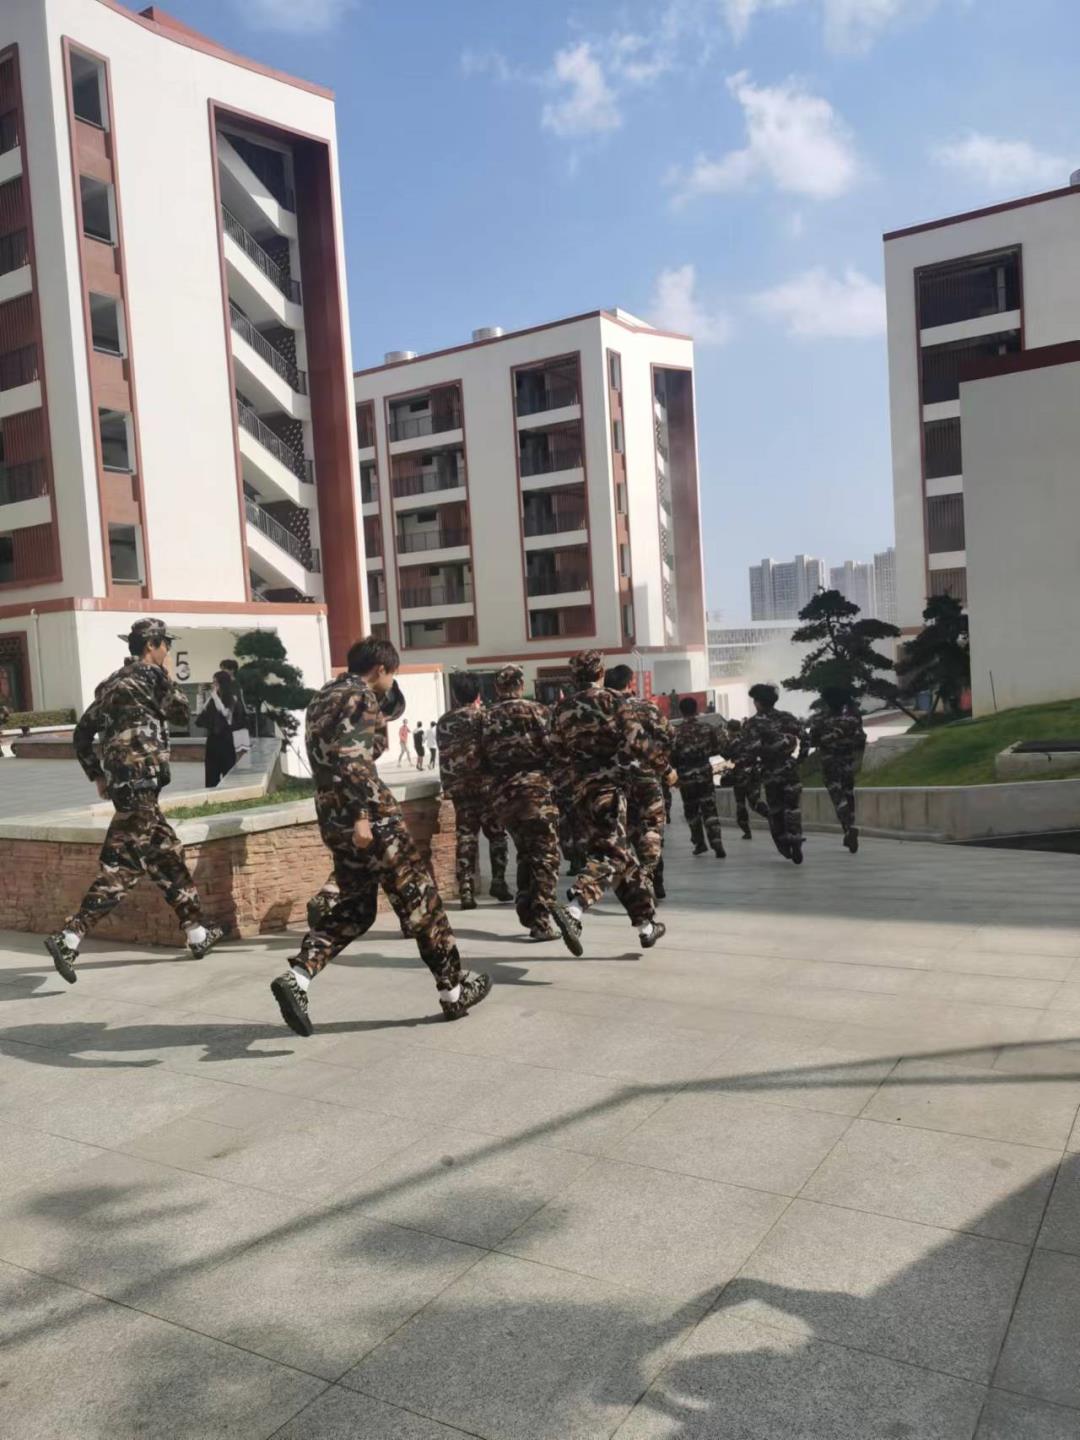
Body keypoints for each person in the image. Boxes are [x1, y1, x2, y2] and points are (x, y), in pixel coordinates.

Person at [270, 635, 490, 1037]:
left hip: (331, 817)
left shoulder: (323, 697)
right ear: (381, 669)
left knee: (356, 909)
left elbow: (346, 754)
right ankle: (453, 992)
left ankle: (298, 976)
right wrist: (362, 817)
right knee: (423, 903)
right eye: (392, 675)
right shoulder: (362, 696)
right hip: (371, 819)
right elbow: (354, 762)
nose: (391, 683)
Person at [43, 619, 223, 982]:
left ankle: (196, 932)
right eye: (165, 644)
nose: (168, 651)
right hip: (143, 782)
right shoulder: (153, 676)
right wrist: (168, 675)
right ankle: (70, 936)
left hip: (125, 784)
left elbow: (81, 734)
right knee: (122, 867)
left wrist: (97, 775)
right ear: (152, 644)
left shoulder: (111, 683)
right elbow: (181, 714)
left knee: (166, 854)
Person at [551, 650, 665, 954]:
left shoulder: (562, 709)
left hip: (581, 793)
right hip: (610, 790)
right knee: (610, 856)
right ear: (600, 672)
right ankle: (574, 909)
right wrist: (665, 768)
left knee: (621, 858)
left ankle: (646, 925)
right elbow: (638, 741)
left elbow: (556, 752)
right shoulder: (614, 701)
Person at [479, 665, 566, 942]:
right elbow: (555, 748)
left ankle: (527, 909)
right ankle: (540, 920)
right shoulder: (538, 711)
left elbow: (479, 760)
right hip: (535, 792)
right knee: (546, 856)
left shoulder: (485, 717)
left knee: (526, 853)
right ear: (520, 684)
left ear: (497, 687)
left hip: (503, 796)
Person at [436, 674, 512, 910]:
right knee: (497, 835)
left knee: (466, 838)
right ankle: (498, 882)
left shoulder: (443, 721)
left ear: (455, 695)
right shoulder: (485, 717)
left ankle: (466, 890)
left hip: (459, 788)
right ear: (478, 694)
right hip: (486, 785)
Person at [604, 665, 676, 902]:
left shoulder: (603, 711)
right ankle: (653, 875)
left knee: (628, 831)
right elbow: (669, 736)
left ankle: (642, 879)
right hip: (647, 776)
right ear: (630, 683)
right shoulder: (647, 707)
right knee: (652, 828)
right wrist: (660, 763)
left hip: (615, 780)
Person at [744, 682, 807, 864]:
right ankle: (795, 837)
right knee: (792, 806)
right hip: (789, 768)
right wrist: (801, 758)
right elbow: (805, 736)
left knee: (776, 808)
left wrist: (753, 769)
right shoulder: (787, 717)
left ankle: (782, 843)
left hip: (770, 771)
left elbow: (748, 750)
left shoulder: (752, 724)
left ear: (757, 702)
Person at [807, 686, 866, 852]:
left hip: (830, 762)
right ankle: (849, 829)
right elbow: (860, 738)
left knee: (838, 798)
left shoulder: (820, 719)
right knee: (848, 794)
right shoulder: (853, 718)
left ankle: (849, 828)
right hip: (848, 761)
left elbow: (812, 741)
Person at [672, 697, 726, 858]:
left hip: (686, 776)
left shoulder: (675, 732)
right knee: (709, 808)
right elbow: (717, 749)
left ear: (681, 711)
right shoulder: (708, 728)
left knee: (691, 810)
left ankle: (699, 843)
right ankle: (717, 842)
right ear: (696, 710)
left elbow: (672, 757)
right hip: (704, 773)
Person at [720, 717, 768, 841]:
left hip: (741, 778)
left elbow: (725, 755)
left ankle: (747, 831)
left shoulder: (733, 743)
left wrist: (724, 741)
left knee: (742, 805)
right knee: (754, 802)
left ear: (730, 730)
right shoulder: (748, 739)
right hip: (752, 776)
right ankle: (771, 817)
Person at [197, 670, 239, 788]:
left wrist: (215, 696)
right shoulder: (212, 698)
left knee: (228, 772)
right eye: (213, 682)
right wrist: (201, 695)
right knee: (211, 774)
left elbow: (226, 714)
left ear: (222, 683)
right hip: (213, 739)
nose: (213, 685)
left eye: (216, 682)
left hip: (226, 740)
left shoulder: (232, 698)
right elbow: (200, 712)